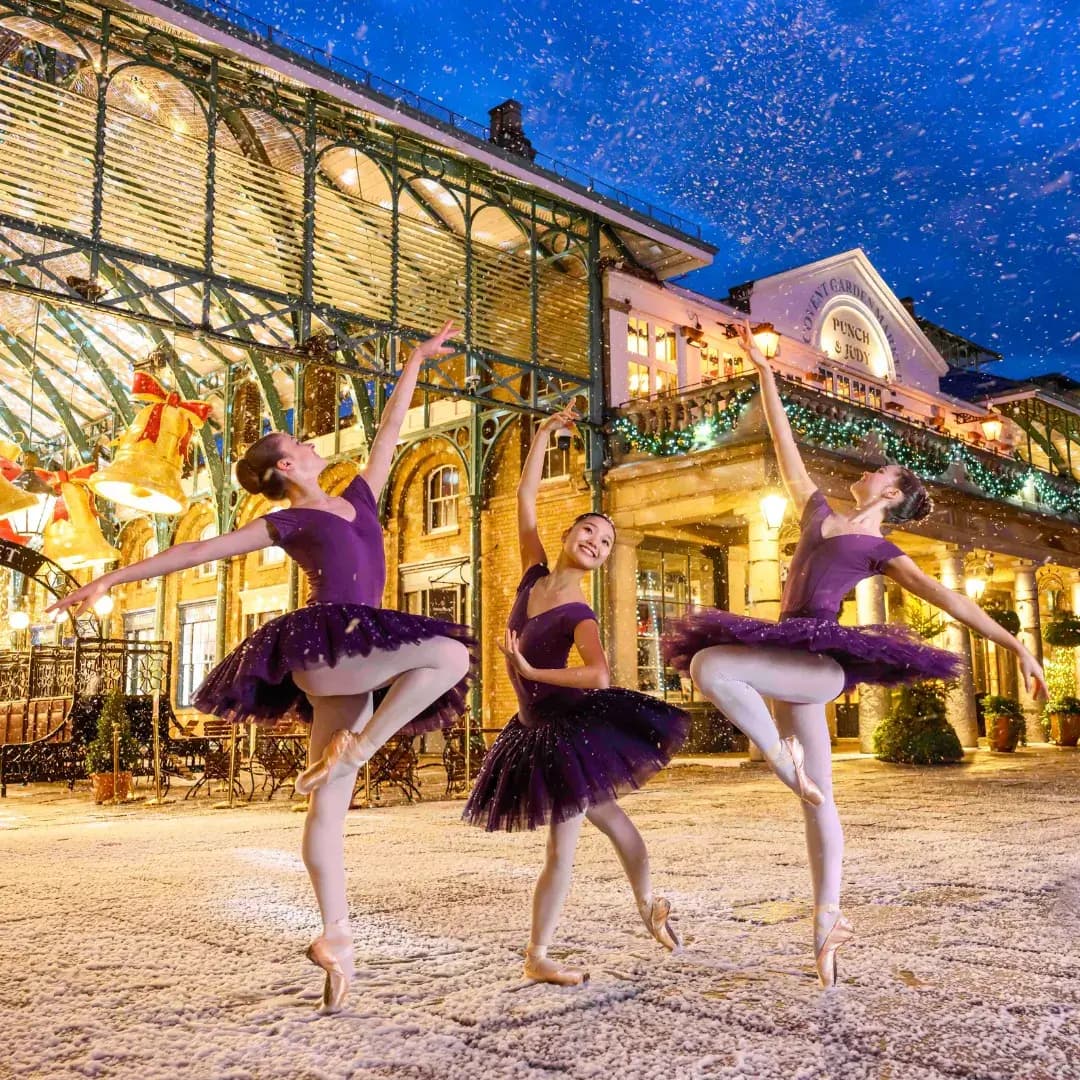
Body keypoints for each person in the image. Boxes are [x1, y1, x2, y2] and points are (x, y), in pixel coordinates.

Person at [48, 322, 475, 1014]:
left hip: (351, 660)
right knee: (451, 654)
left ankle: (335, 937)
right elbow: (197, 554)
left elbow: (390, 431)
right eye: (297, 446)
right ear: (284, 470)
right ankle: (358, 746)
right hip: (334, 646)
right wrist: (108, 580)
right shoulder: (288, 522)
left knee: (328, 805)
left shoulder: (359, 498)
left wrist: (416, 363)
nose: (310, 445)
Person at [662, 322, 1047, 987]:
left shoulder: (880, 550)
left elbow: (955, 602)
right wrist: (762, 367)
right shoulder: (814, 512)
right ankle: (827, 927)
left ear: (890, 495)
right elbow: (785, 444)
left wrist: (1016, 644)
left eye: (878, 472)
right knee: (821, 804)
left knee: (711, 666)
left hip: (818, 660)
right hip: (788, 653)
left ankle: (785, 765)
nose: (865, 471)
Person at [463, 408, 690, 985]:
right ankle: (649, 908)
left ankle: (541, 954)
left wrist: (529, 666)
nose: (596, 541)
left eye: (607, 542)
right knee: (612, 823)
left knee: (566, 845)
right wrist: (541, 435)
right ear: (567, 535)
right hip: (532, 729)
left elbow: (599, 675)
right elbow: (523, 497)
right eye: (589, 531)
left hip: (570, 731)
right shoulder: (532, 575)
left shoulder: (579, 611)